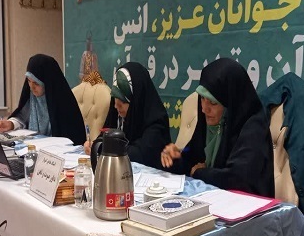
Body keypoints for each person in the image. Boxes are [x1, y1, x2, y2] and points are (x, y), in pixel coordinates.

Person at [161, 58, 274, 197]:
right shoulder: (208, 122)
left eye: (213, 103)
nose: (204, 109)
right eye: (202, 98)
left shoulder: (253, 128)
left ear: (230, 103)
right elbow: (192, 161)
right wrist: (175, 159)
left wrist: (200, 173)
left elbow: (239, 179)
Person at [85, 62, 171, 169]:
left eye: (122, 100)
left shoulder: (157, 122)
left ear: (137, 100)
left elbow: (139, 154)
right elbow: (103, 139)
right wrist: (93, 145)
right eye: (115, 97)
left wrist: (103, 147)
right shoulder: (116, 112)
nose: (116, 105)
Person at [0, 54, 86, 146]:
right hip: (31, 147)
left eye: (36, 83)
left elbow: (72, 138)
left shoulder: (63, 103)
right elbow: (22, 117)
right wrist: (11, 124)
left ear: (47, 82)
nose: (31, 87)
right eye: (29, 81)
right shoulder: (31, 97)